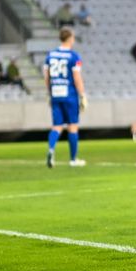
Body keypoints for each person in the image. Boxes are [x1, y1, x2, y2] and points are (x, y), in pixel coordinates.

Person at [43, 28, 88, 168]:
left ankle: (51, 150)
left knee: (56, 126)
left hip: (56, 93)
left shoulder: (50, 55)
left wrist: (49, 92)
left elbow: (47, 76)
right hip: (69, 94)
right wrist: (82, 95)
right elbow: (77, 77)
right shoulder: (73, 57)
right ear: (70, 38)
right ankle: (73, 159)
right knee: (72, 126)